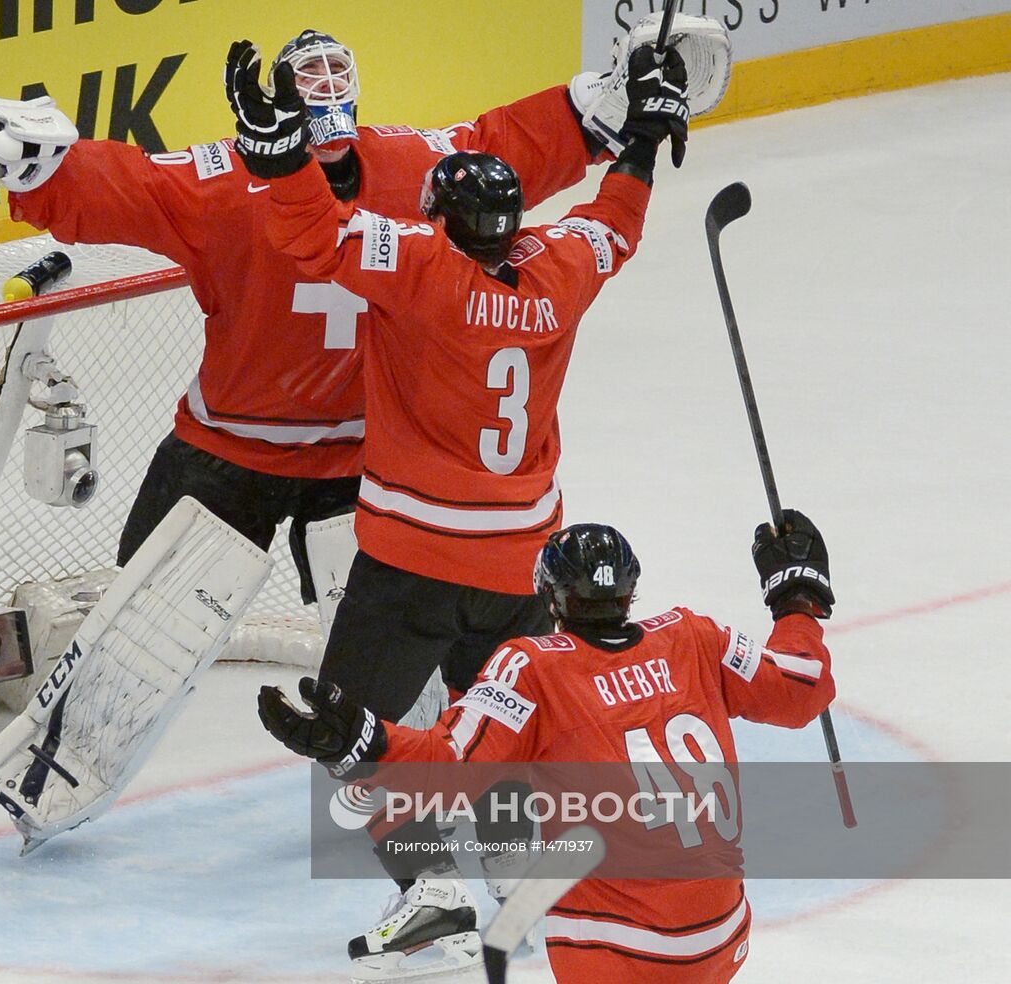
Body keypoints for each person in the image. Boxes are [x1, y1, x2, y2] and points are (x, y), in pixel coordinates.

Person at [0, 27, 650, 632]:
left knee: (144, 638)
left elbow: (133, 185)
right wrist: (606, 113)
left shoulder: (230, 183)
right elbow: (506, 145)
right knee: (154, 634)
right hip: (326, 459)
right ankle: (418, 769)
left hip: (315, 460)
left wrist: (33, 170)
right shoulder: (415, 169)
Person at [228, 38, 690, 977]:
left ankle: (433, 899)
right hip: (526, 567)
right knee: (508, 734)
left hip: (412, 565)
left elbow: (314, 231)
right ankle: (537, 879)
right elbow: (616, 221)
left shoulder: (421, 270)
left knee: (351, 734)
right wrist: (642, 138)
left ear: (440, 220)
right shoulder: (559, 267)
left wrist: (276, 151)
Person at [259, 511, 838, 983]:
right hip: (723, 935)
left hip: (614, 947)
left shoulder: (530, 666)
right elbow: (800, 688)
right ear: (631, 589)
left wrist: (363, 740)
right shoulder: (694, 635)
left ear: (551, 598)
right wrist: (798, 597)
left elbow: (449, 770)